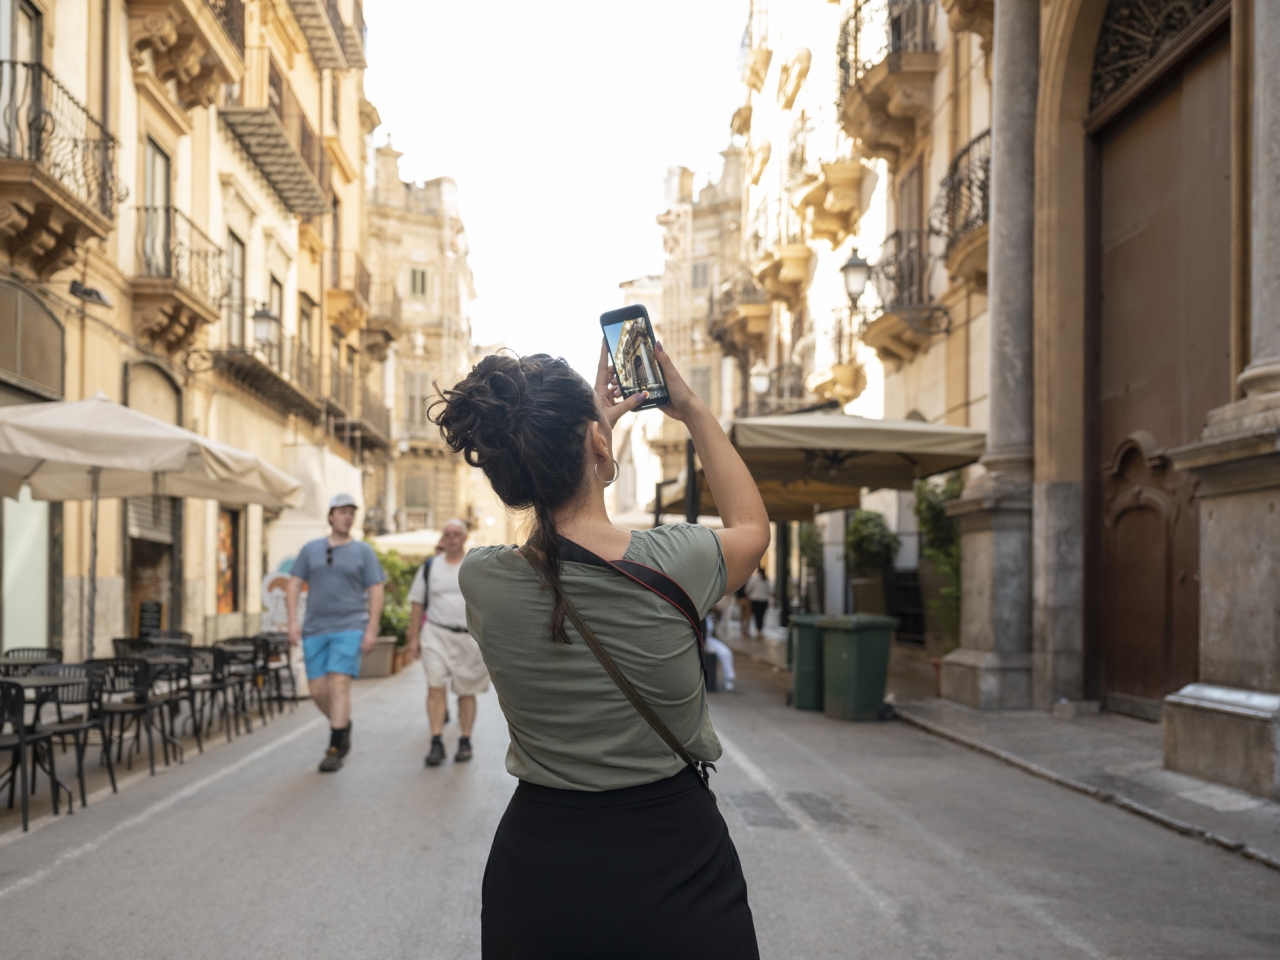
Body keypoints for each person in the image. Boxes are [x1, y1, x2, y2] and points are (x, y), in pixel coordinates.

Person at [433, 340, 769, 959]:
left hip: (539, 867)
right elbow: (752, 527)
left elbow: (552, 552)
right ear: (594, 443)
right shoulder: (681, 560)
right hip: (675, 853)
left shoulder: (481, 577)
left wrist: (590, 437)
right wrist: (689, 406)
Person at [286, 493, 385, 773]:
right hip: (314, 628)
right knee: (318, 689)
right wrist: (293, 622)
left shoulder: (364, 551)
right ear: (330, 516)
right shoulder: (311, 549)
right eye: (342, 511)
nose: (348, 516)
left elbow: (375, 591)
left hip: (350, 626)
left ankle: (334, 747)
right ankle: (341, 724)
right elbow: (293, 586)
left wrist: (371, 629)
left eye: (351, 512)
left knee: (339, 684)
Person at [407, 518, 488, 766]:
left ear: (464, 537)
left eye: (456, 533)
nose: (451, 537)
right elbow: (417, 603)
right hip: (436, 635)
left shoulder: (475, 566)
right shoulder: (430, 566)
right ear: (442, 538)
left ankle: (465, 740)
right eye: (447, 534)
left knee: (466, 691)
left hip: (468, 638)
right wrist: (412, 639)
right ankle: (436, 741)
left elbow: (488, 603)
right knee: (435, 686)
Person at [745, 565, 771, 637]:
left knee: (757, 616)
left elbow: (747, 589)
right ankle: (759, 629)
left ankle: (758, 630)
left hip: (756, 600)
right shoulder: (766, 580)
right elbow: (769, 590)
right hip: (764, 601)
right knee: (761, 616)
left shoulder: (754, 579)